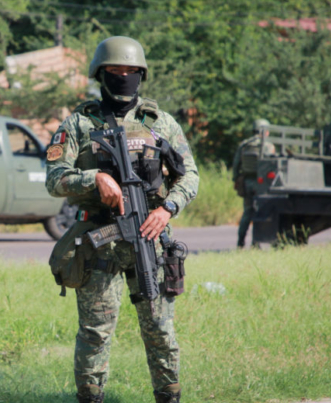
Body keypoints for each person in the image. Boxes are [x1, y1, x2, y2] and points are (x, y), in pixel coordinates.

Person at [45, 36, 199, 403]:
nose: (124, 76)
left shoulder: (160, 123)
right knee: (95, 333)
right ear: (101, 73)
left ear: (141, 74)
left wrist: (167, 209)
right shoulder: (79, 124)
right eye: (115, 70)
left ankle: (169, 396)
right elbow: (53, 178)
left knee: (161, 330)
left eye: (131, 70)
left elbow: (189, 175)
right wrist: (93, 179)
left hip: (152, 239)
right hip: (100, 241)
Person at [232, 118, 275, 248]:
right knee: (259, 213)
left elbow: (235, 165)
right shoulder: (268, 146)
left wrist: (236, 180)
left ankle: (240, 243)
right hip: (261, 184)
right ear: (265, 131)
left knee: (247, 213)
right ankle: (255, 243)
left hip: (246, 182)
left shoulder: (244, 145)